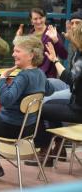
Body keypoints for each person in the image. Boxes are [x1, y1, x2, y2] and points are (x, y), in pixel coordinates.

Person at [0, 35, 53, 182]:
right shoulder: (40, 73)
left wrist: (1, 78)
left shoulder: (23, 76)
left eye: (17, 51)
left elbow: (5, 100)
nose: (13, 54)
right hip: (28, 127)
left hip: (12, 127)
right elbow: (47, 90)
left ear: (31, 55)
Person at [27, 22, 82, 167]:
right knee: (48, 104)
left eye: (74, 34)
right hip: (75, 100)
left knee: (39, 109)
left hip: (78, 108)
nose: (70, 35)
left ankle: (44, 150)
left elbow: (71, 80)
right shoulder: (78, 53)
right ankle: (59, 146)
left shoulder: (81, 59)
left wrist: (55, 60)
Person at [16, 7, 68, 78]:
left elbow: (64, 55)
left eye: (41, 18)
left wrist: (56, 40)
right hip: (31, 76)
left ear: (45, 18)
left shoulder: (52, 33)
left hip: (47, 77)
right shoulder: (30, 35)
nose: (38, 21)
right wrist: (19, 38)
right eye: (35, 19)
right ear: (31, 20)